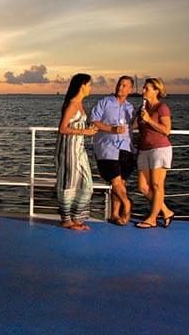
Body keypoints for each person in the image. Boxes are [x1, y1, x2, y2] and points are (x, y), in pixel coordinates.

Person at [91, 76, 136, 226]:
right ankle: (127, 204)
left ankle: (115, 215)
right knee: (116, 183)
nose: (120, 87)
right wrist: (111, 129)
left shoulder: (130, 108)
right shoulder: (104, 102)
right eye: (119, 84)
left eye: (124, 86)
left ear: (130, 89)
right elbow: (94, 121)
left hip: (126, 147)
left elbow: (133, 127)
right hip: (107, 148)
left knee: (120, 183)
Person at [55, 73, 98, 230]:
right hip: (69, 150)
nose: (91, 88)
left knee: (86, 184)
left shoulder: (80, 104)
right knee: (69, 183)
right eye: (89, 85)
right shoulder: (73, 104)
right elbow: (63, 128)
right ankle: (67, 220)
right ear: (82, 86)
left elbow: (76, 126)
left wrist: (87, 130)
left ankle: (76, 218)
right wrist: (85, 132)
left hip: (78, 149)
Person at [135, 78, 175, 228]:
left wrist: (148, 120)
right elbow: (135, 127)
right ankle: (166, 211)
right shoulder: (143, 109)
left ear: (156, 90)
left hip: (160, 148)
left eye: (146, 88)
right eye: (143, 88)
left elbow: (166, 130)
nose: (143, 91)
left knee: (157, 185)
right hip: (144, 149)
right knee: (143, 187)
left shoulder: (162, 107)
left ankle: (152, 219)